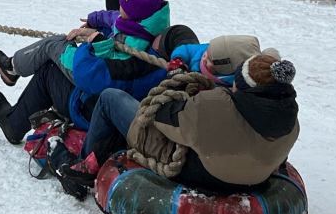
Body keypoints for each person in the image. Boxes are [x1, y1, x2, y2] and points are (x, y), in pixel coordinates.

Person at [60, 51, 298, 197]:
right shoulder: (291, 121)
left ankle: (85, 163)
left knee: (111, 98)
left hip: (201, 172)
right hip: (254, 176)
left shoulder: (216, 106)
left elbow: (161, 118)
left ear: (244, 87)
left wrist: (176, 84)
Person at [0, 0, 170, 146]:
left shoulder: (136, 50)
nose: (120, 8)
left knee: (51, 57)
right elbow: (115, 19)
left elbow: (94, 74)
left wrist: (91, 44)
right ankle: (13, 79)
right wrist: (95, 20)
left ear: (135, 14)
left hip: (93, 108)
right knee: (55, 52)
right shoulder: (149, 26)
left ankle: (13, 107)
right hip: (102, 94)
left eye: (124, 6)